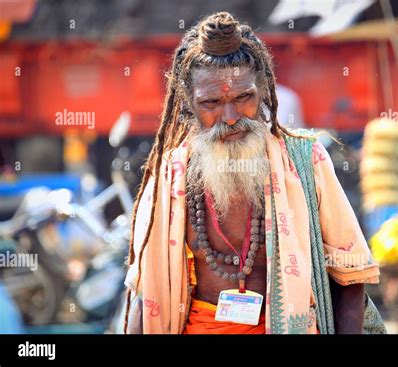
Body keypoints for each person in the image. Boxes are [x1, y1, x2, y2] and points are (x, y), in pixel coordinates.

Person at [123, 12, 380, 334]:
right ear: (189, 105)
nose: (230, 117)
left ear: (263, 93)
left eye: (243, 97)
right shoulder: (170, 174)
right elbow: (146, 290)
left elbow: (350, 273)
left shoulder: (306, 160)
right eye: (212, 103)